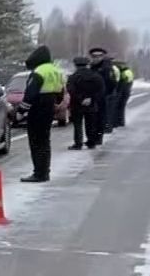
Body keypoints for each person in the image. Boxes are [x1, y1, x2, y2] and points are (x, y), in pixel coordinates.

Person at [19, 45, 65, 183]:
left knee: (36, 141)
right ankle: (45, 171)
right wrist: (56, 103)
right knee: (45, 141)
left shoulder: (39, 72)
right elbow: (60, 90)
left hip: (38, 107)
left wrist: (21, 111)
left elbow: (30, 94)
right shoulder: (55, 70)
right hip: (49, 106)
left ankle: (39, 173)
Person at [67, 54, 106, 150]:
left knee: (78, 125)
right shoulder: (96, 76)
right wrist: (91, 98)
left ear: (76, 65)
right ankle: (91, 142)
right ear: (87, 64)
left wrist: (81, 99)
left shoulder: (73, 77)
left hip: (77, 104)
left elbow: (71, 90)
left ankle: (78, 143)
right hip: (92, 104)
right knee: (91, 123)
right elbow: (101, 89)